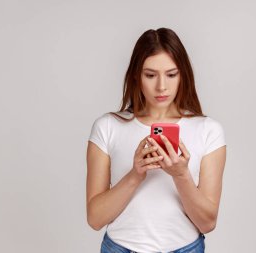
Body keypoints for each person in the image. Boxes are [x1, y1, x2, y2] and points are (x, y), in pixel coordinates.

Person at [86, 27, 227, 253]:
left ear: (183, 75)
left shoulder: (208, 130)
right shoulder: (108, 127)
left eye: (171, 74)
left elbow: (207, 223)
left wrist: (181, 175)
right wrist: (135, 175)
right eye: (150, 75)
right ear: (136, 75)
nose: (161, 86)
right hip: (120, 248)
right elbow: (95, 218)